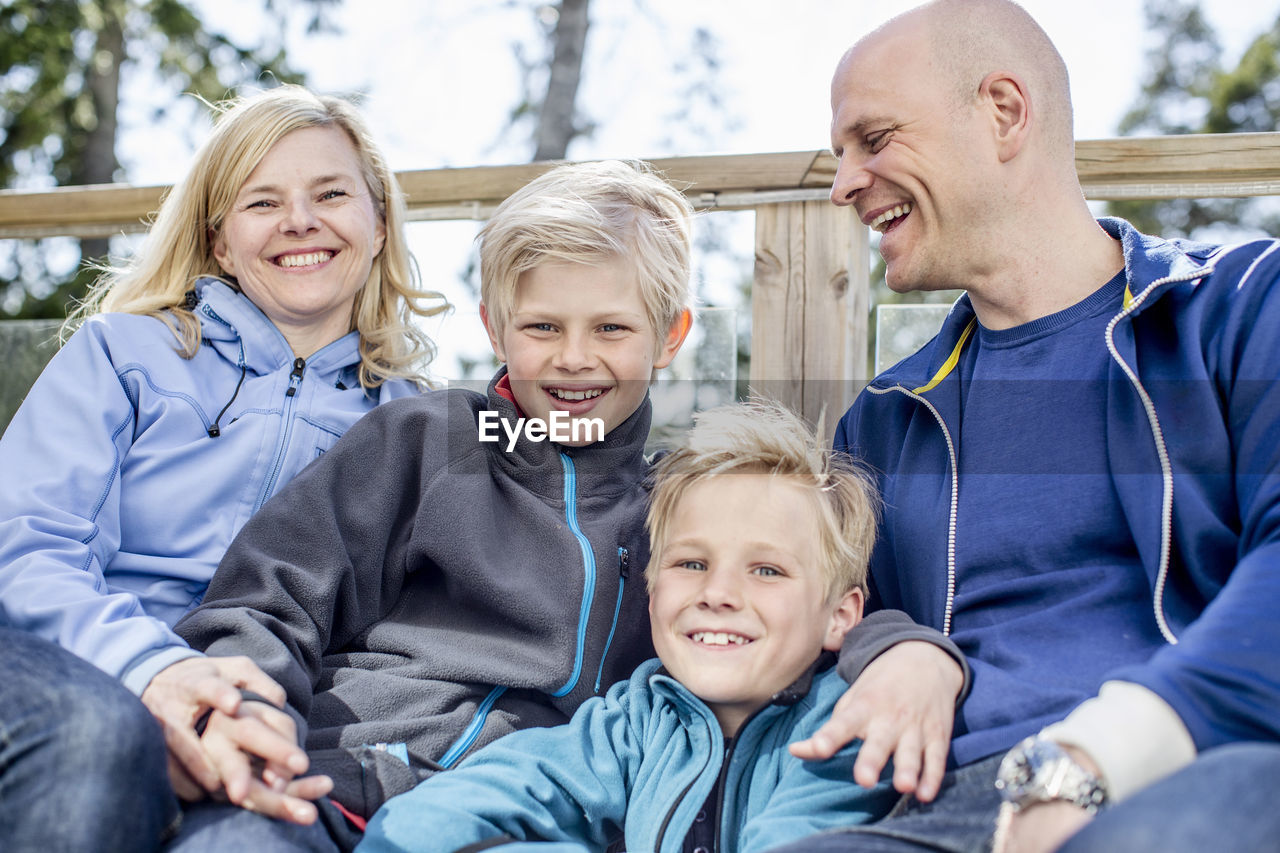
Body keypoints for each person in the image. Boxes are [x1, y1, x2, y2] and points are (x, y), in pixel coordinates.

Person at [772, 1, 1280, 852]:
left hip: (1192, 770)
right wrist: (901, 646)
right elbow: (821, 613)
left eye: (874, 139)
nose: (844, 183)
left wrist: (1104, 751)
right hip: (941, 816)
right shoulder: (885, 420)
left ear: (1004, 112)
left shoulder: (1239, 309)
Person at [165, 158, 695, 851]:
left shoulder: (676, 513)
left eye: (611, 330)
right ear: (495, 329)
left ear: (670, 336)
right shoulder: (425, 440)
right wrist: (254, 720)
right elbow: (269, 594)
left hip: (510, 816)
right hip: (333, 779)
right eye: (541, 328)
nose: (573, 358)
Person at [0, 84, 447, 851]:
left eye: (331, 193)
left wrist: (247, 719)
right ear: (219, 241)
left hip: (263, 712)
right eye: (261, 201)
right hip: (65, 657)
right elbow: (25, 541)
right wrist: (153, 673)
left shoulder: (412, 424)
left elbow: (406, 639)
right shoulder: (124, 352)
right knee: (103, 737)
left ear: (377, 222)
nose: (300, 220)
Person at [354, 399, 900, 853]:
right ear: (652, 588)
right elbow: (445, 813)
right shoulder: (637, 719)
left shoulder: (845, 726)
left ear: (840, 617)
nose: (718, 594)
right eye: (692, 564)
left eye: (767, 570)